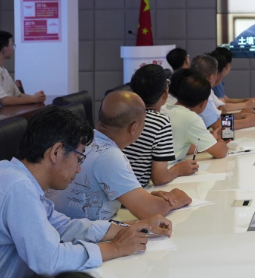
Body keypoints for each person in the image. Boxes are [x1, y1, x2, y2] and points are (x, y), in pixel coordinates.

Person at [0, 106, 172, 278]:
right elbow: (49, 261)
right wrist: (116, 248)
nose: (79, 169)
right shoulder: (17, 187)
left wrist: (134, 227)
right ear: (56, 152)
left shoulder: (13, 175)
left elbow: (64, 227)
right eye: (79, 158)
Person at [47, 90, 192, 221]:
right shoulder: (110, 155)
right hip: (79, 234)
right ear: (134, 128)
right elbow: (150, 211)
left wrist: (143, 197)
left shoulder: (84, 139)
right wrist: (176, 199)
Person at [122, 64, 198, 187]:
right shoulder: (160, 122)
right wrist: (178, 170)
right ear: (165, 94)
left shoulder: (121, 113)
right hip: (132, 191)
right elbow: (160, 178)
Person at [163, 74, 230, 160]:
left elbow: (183, 147)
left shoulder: (164, 108)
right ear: (204, 103)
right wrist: (221, 141)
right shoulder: (191, 118)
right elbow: (220, 152)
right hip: (170, 167)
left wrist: (211, 140)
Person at [0, 30, 46, 107]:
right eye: (12, 46)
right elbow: (4, 101)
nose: (13, 49)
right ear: (5, 50)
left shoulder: (3, 70)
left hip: (5, 113)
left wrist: (37, 98)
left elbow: (18, 95)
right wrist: (33, 99)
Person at [190, 54, 255, 130]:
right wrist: (248, 122)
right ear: (211, 77)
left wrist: (238, 115)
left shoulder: (207, 90)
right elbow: (218, 125)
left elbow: (221, 111)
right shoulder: (199, 94)